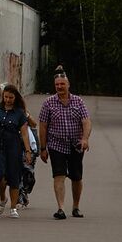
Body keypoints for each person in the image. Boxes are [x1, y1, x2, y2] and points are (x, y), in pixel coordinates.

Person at [39, 66, 92, 220]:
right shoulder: (48, 103)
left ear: (68, 85)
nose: (60, 87)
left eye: (62, 84)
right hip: (56, 145)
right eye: (57, 85)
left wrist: (85, 139)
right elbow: (42, 126)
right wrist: (43, 148)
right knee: (59, 175)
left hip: (76, 145)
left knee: (76, 177)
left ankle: (75, 207)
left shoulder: (78, 101)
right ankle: (61, 208)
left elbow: (86, 122)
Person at [0, 84, 32, 217]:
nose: (8, 100)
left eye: (11, 97)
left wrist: (28, 151)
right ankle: (3, 198)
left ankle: (13, 207)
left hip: (13, 147)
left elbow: (25, 133)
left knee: (13, 176)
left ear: (15, 97)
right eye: (6, 97)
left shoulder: (20, 113)